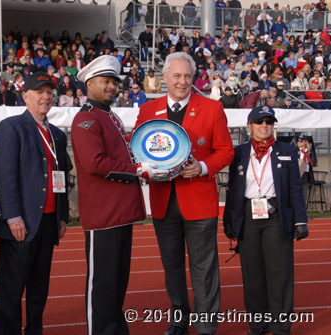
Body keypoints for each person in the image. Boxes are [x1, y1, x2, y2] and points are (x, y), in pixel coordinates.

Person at [133, 52, 234, 335]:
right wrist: (145, 169)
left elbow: (226, 151)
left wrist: (202, 167)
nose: (182, 82)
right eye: (176, 76)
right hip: (163, 201)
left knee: (204, 268)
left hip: (199, 201)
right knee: (172, 267)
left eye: (188, 76)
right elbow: (137, 151)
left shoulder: (212, 108)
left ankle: (205, 326)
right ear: (164, 78)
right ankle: (179, 321)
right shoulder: (148, 110)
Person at [71, 55, 167, 335]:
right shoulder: (86, 119)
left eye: (114, 82)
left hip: (121, 213)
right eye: (106, 81)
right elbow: (95, 164)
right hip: (104, 216)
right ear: (89, 84)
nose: (112, 86)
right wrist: (139, 170)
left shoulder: (108, 116)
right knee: (101, 287)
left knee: (116, 286)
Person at [0, 72, 70, 334]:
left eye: (49, 92)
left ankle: (34, 330)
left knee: (39, 287)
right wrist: (12, 216)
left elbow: (61, 178)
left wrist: (62, 216)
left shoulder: (57, 135)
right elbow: (4, 176)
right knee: (11, 287)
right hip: (22, 222)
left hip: (47, 222)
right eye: (39, 92)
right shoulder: (11, 127)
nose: (46, 97)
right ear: (25, 96)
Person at [223, 105, 309, 335]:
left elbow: (294, 188)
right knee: (252, 274)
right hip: (248, 217)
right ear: (249, 125)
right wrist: (228, 220)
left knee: (279, 272)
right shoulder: (238, 152)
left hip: (276, 217)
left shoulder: (287, 151)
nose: (264, 126)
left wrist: (301, 220)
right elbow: (233, 190)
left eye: (268, 122)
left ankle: (280, 325)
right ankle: (258, 323)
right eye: (259, 122)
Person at [296, 134, 315, 201]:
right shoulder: (296, 151)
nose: (298, 142)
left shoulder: (309, 152)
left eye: (301, 141)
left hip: (305, 173)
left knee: (304, 192)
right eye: (298, 141)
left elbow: (312, 163)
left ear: (305, 142)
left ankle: (303, 207)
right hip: (297, 173)